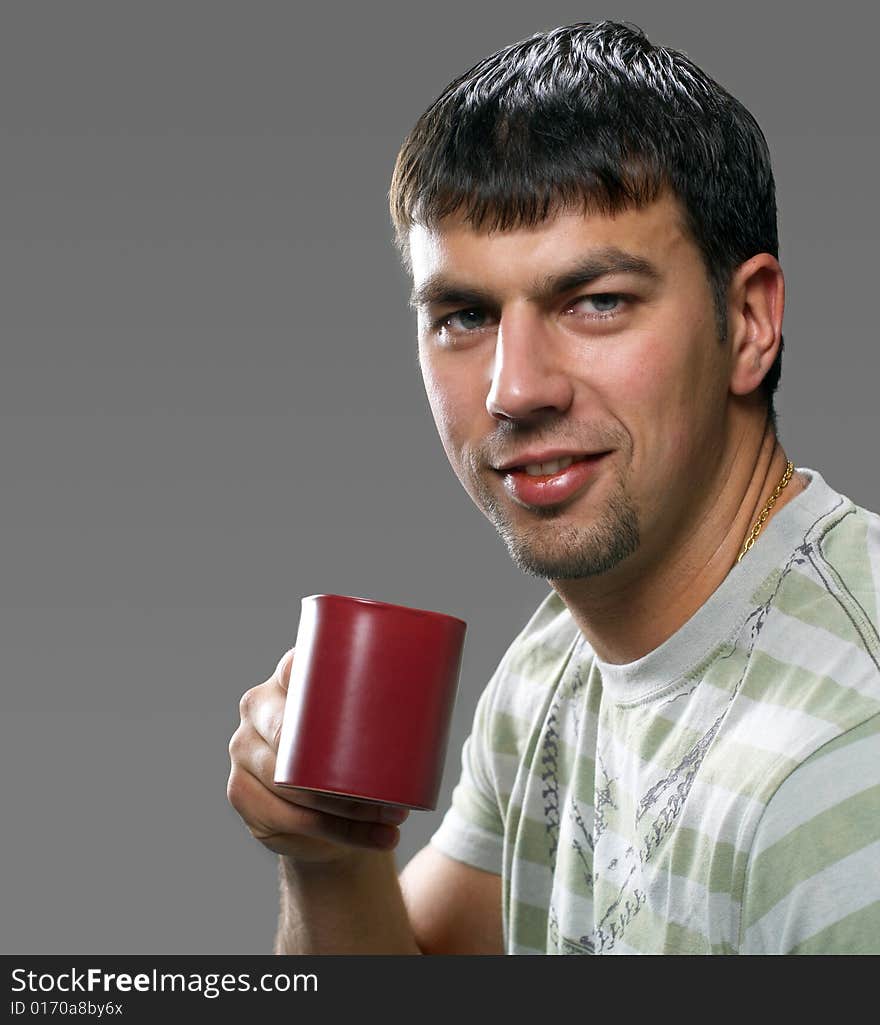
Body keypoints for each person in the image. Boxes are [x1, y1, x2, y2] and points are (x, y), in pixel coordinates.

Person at [227, 20, 880, 954]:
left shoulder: (846, 765)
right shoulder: (555, 664)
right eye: (463, 315)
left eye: (597, 301)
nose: (515, 388)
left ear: (747, 322)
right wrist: (332, 854)